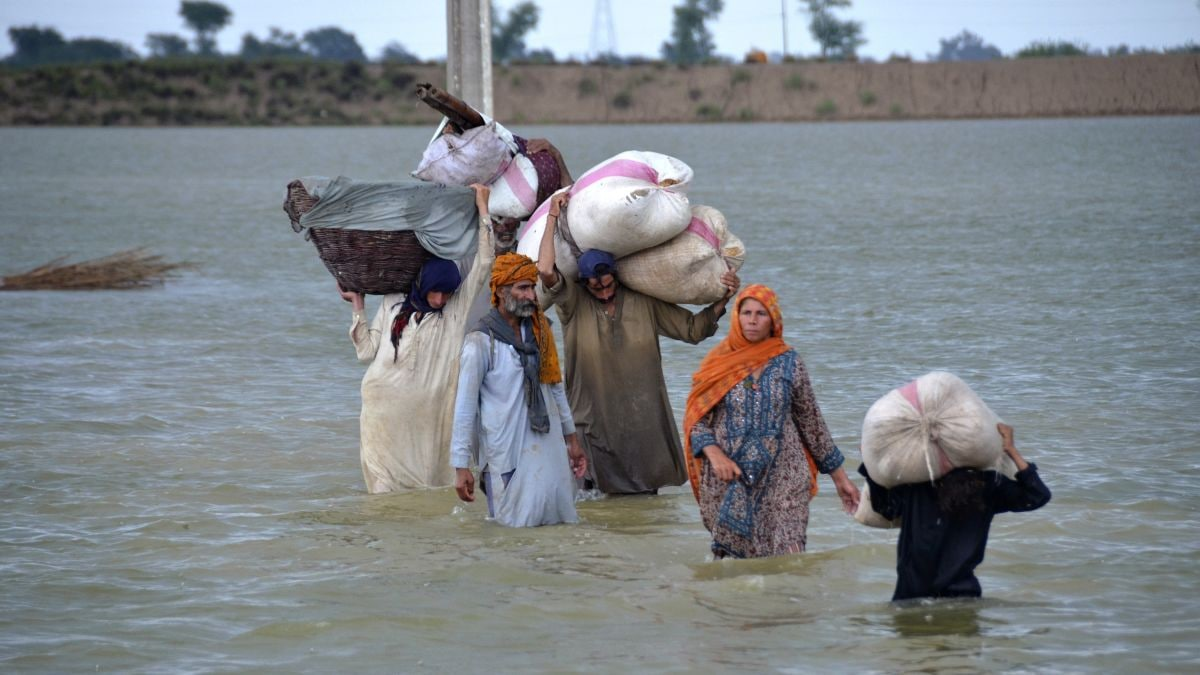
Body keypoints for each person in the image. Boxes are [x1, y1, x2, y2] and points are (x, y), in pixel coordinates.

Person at [536, 191, 740, 495]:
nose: (604, 291)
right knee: (590, 496)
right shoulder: (573, 304)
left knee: (644, 496)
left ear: (617, 278)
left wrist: (724, 297)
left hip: (641, 420)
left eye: (608, 284)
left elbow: (693, 329)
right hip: (591, 419)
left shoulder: (643, 302)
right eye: (595, 287)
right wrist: (552, 216)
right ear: (583, 284)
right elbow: (545, 270)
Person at [338, 183, 495, 493]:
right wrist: (358, 306)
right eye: (435, 291)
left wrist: (483, 210)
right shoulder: (393, 303)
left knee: (430, 484)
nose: (439, 299)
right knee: (383, 490)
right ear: (422, 285)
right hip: (382, 412)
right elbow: (366, 353)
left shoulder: (453, 312)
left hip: (428, 416)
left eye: (446, 293)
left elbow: (485, 263)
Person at [684, 284, 860, 559]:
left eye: (761, 314)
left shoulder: (790, 363)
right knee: (734, 570)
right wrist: (715, 454)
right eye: (747, 313)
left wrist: (841, 479)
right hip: (729, 478)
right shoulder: (717, 364)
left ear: (773, 320)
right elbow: (696, 422)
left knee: (790, 558)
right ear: (737, 317)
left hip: (785, 476)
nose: (752, 320)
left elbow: (812, 424)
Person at [449, 253, 588, 527]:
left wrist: (572, 441)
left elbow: (555, 388)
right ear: (500, 292)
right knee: (511, 534)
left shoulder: (541, 332)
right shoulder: (480, 342)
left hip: (548, 447)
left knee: (556, 524)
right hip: (505, 454)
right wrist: (461, 466)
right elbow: (464, 408)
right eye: (522, 288)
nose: (531, 296)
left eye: (532, 287)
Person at [858, 423, 1051, 601]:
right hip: (963, 595)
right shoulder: (987, 485)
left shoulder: (915, 484)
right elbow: (1037, 495)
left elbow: (886, 509)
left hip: (911, 596)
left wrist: (870, 465)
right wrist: (1011, 451)